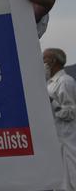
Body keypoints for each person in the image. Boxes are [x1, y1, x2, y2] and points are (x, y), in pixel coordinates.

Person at [44, 48, 76, 191]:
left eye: (44, 59)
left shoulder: (65, 82)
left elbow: (70, 112)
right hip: (55, 139)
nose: (42, 63)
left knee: (69, 179)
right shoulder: (49, 83)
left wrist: (52, 103)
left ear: (53, 61)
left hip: (66, 139)